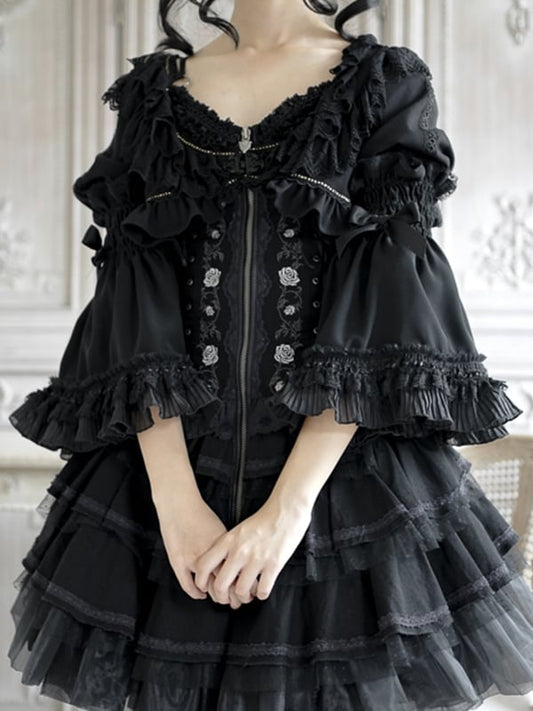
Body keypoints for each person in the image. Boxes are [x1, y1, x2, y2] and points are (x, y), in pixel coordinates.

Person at [7, 0, 533, 708]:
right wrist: (175, 503)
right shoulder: (152, 100)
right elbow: (134, 306)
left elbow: (384, 307)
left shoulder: (383, 85)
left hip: (343, 489)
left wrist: (287, 512)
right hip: (163, 492)